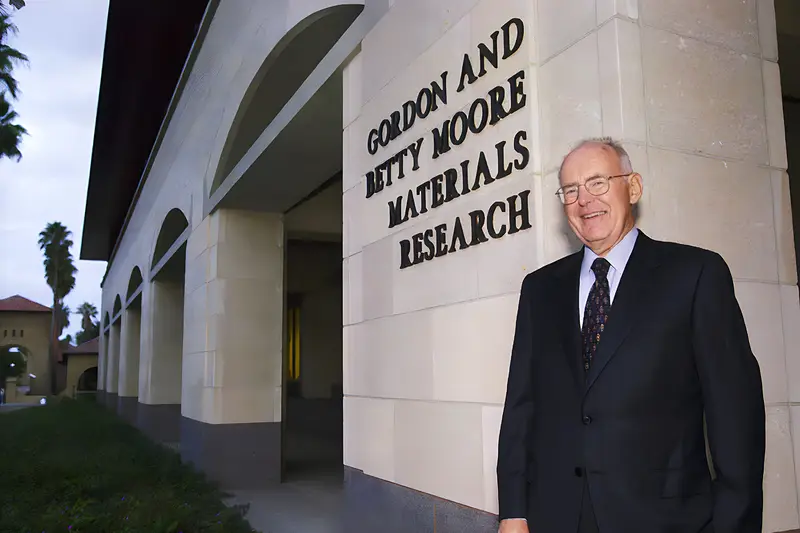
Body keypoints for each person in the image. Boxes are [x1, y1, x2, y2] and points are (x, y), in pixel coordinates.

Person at [496, 138, 766, 533]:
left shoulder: (695, 275)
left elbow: (735, 416)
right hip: (555, 518)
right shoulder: (540, 289)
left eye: (598, 183)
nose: (583, 199)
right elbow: (521, 407)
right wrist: (513, 511)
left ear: (633, 187)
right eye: (570, 190)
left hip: (665, 520)